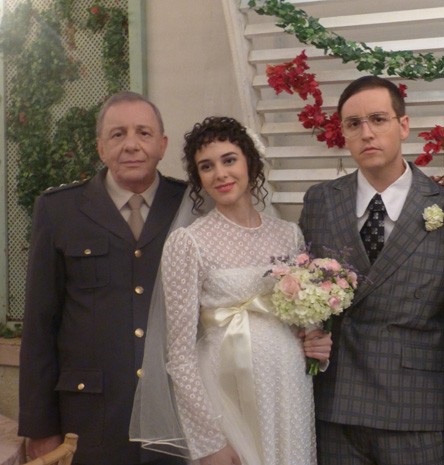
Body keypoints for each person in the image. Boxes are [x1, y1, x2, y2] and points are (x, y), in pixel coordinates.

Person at [130, 116, 331, 465]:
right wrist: (209, 441)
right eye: (206, 166)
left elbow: (302, 323)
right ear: (199, 179)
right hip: (227, 397)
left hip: (288, 389)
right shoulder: (189, 242)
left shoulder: (289, 234)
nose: (220, 174)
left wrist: (317, 341)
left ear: (250, 163)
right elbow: (178, 355)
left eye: (229, 160)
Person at [299, 75, 444, 465]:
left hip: (416, 406)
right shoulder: (320, 202)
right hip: (336, 400)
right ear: (343, 134)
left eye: (378, 119)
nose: (367, 133)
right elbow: (300, 291)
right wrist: (305, 333)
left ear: (403, 125)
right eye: (353, 124)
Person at [18, 91, 187, 465]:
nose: (131, 144)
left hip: (177, 415)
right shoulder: (59, 209)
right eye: (117, 134)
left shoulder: (190, 204)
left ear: (162, 145)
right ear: (100, 147)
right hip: (90, 419)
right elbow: (40, 325)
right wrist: (41, 427)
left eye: (143, 133)